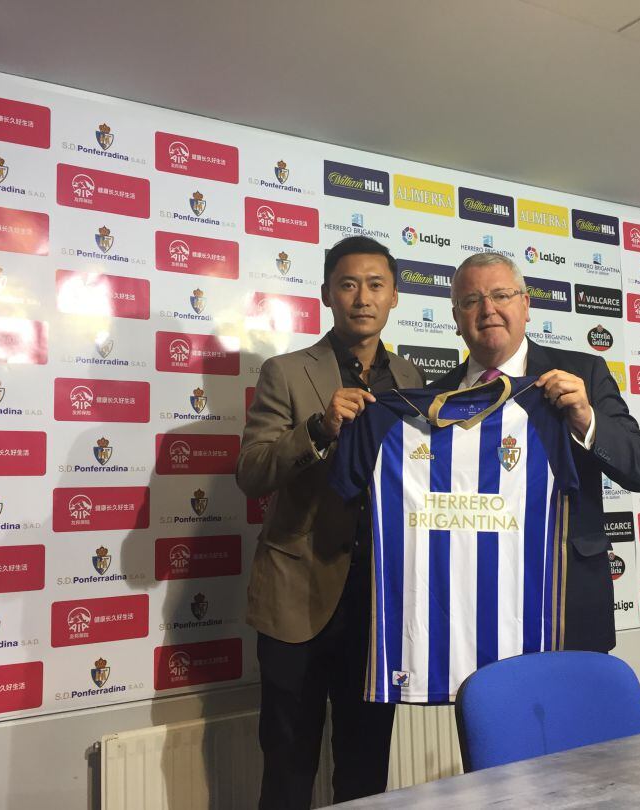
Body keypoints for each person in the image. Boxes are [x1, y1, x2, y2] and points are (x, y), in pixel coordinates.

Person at [237, 236, 425, 809]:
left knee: (367, 765)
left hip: (381, 603)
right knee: (289, 765)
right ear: (326, 294)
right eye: (348, 284)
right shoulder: (287, 373)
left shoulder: (414, 380)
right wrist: (317, 430)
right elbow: (252, 472)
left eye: (375, 285)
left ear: (394, 295)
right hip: (298, 596)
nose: (361, 297)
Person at [430, 252, 640, 652]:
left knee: (577, 714)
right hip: (470, 608)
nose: (488, 310)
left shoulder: (584, 373)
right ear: (456, 316)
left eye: (501, 295)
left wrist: (587, 420)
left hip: (569, 605)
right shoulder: (436, 398)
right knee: (488, 714)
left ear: (526, 305)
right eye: (471, 301)